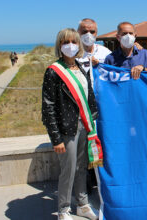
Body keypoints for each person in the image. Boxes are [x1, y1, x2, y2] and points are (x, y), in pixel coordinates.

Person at [42, 28, 99, 220]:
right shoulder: (53, 72)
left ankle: (82, 204)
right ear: (60, 46)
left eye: (74, 42)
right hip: (67, 129)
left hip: (85, 127)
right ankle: (64, 209)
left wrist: (94, 117)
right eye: (66, 42)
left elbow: (89, 95)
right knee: (68, 170)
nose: (71, 46)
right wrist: (55, 138)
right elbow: (48, 108)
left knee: (82, 167)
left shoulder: (80, 67)